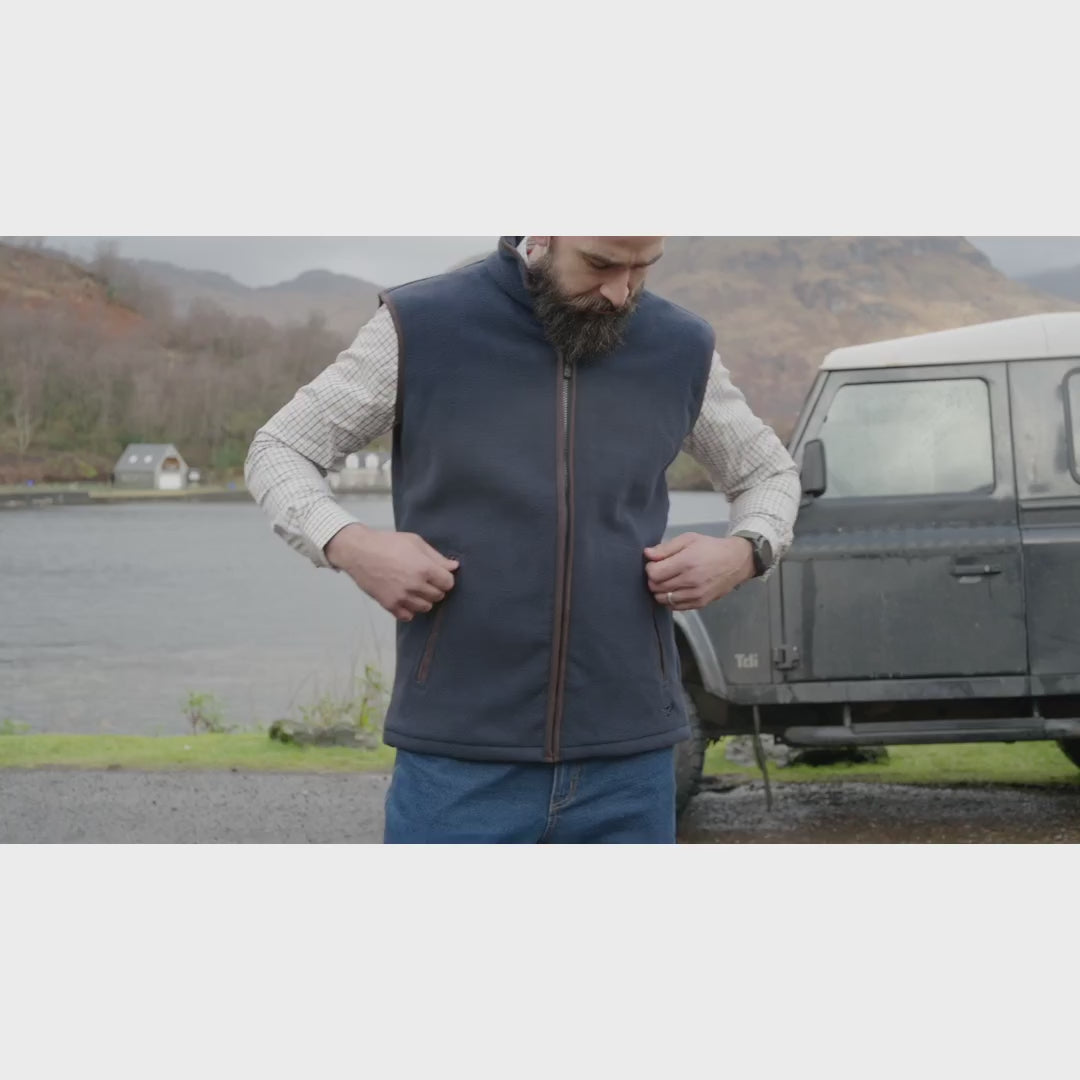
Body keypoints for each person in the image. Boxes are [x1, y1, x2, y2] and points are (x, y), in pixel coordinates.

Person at [245, 236, 800, 844]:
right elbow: (281, 448)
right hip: (457, 764)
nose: (622, 293)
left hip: (632, 765)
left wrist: (743, 552)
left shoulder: (681, 345)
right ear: (540, 236)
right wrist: (350, 544)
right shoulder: (422, 325)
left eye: (642, 268)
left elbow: (768, 474)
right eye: (600, 264)